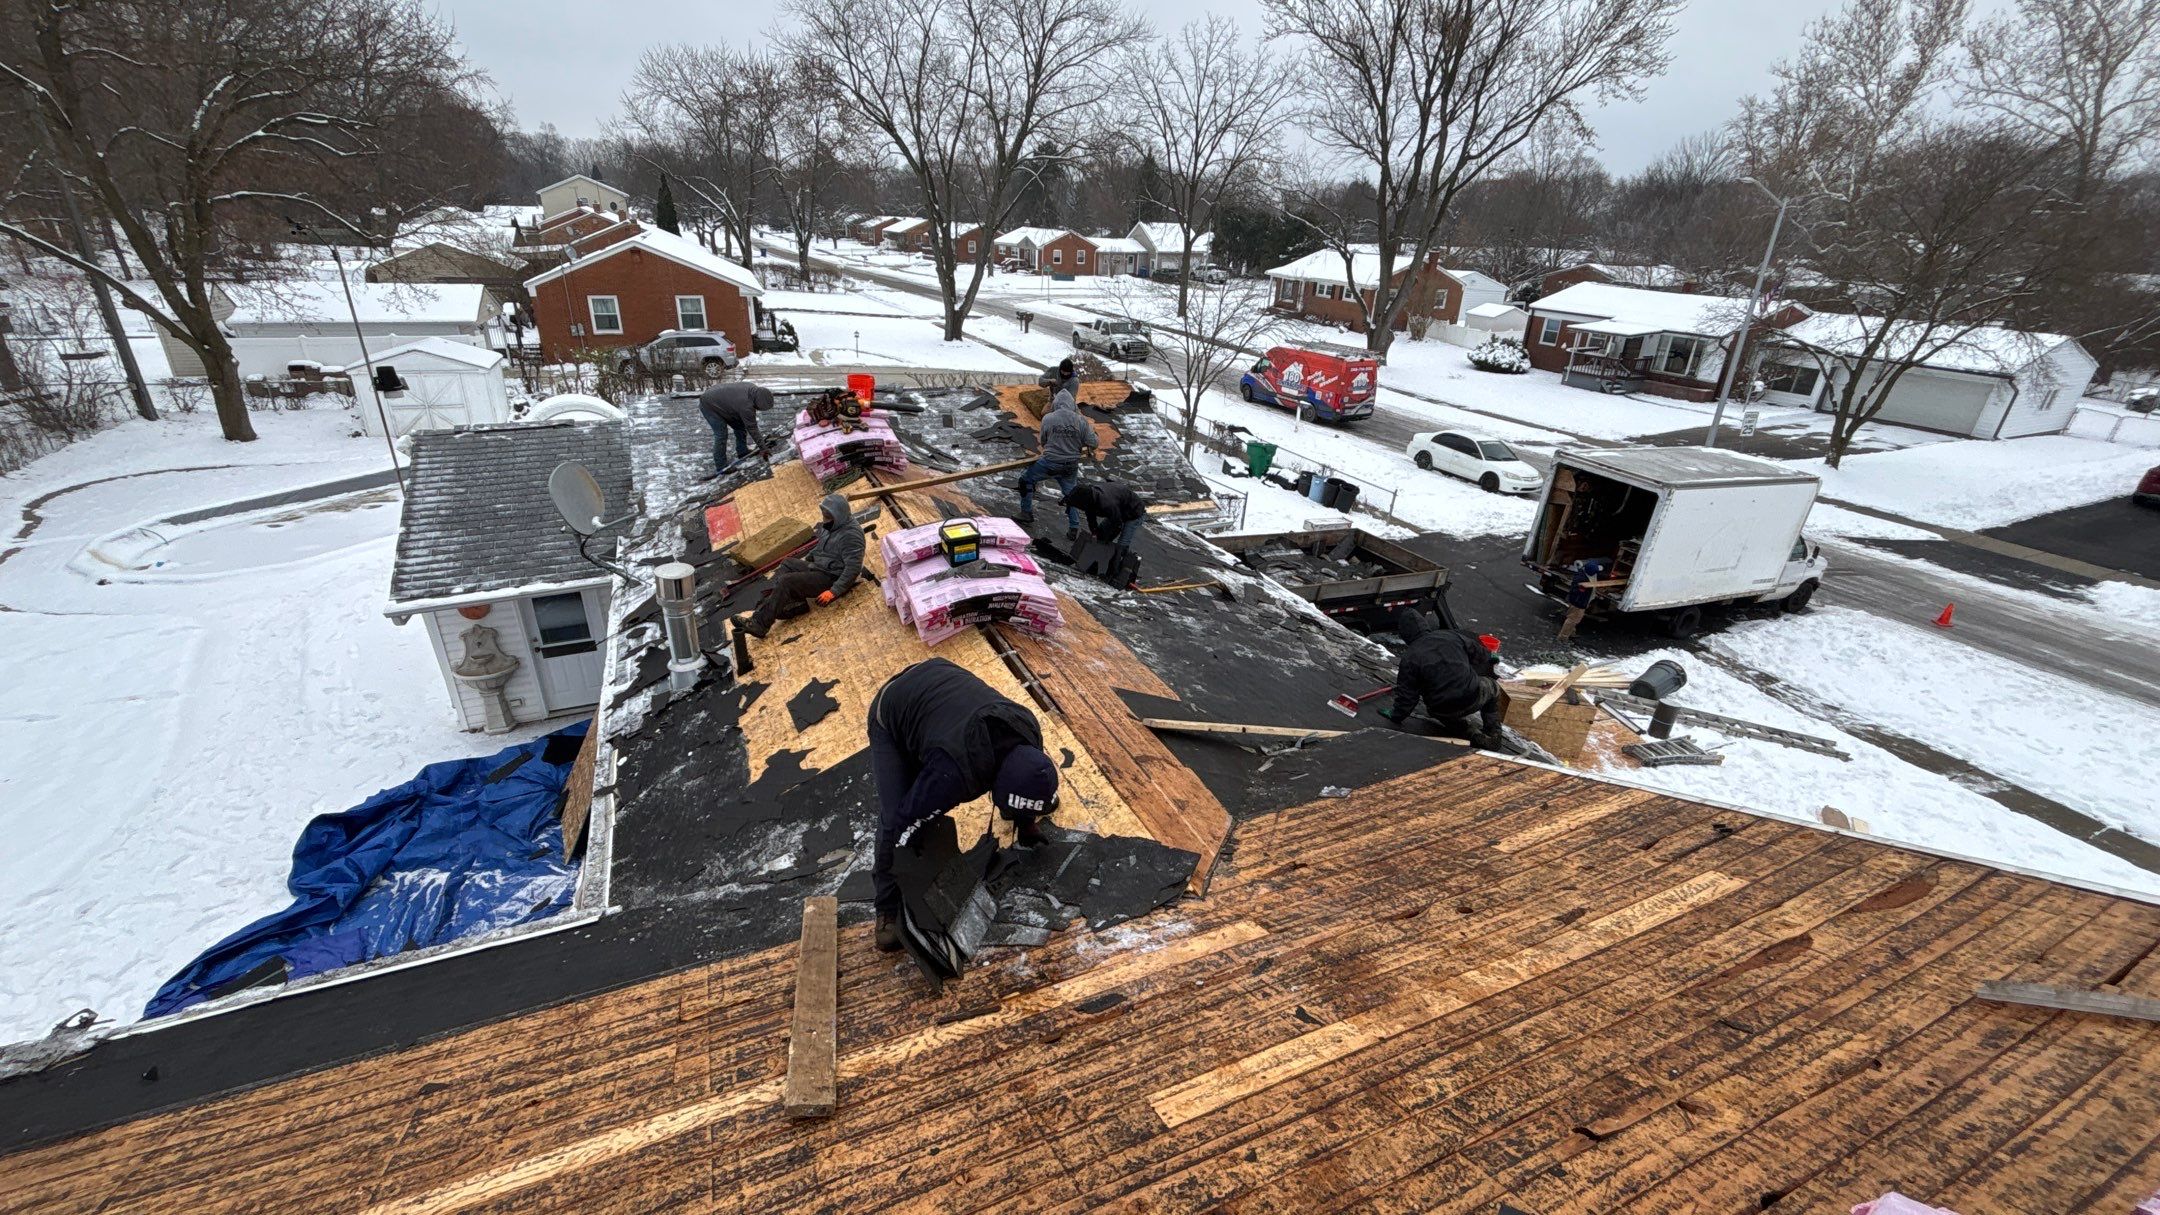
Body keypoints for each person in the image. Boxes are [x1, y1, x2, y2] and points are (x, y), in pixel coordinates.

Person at [866, 658, 1061, 951]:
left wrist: (1027, 826)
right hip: (894, 709)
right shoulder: (953, 773)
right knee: (897, 819)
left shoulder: (1026, 729)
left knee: (1022, 792)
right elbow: (903, 826)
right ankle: (886, 910)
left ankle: (1018, 811)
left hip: (943, 683)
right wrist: (904, 877)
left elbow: (1027, 777)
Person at [731, 493, 863, 638]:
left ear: (839, 515)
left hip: (831, 577)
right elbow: (820, 547)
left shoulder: (851, 535)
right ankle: (787, 604)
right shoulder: (831, 526)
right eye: (825, 516)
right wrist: (808, 560)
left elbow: (853, 568)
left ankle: (760, 624)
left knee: (787, 581)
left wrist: (834, 591)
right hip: (819, 567)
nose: (825, 520)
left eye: (829, 517)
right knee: (788, 563)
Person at [1380, 607, 1504, 745]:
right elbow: (1476, 650)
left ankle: (1472, 734)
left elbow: (1407, 697)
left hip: (1442, 707)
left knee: (1439, 712)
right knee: (1493, 688)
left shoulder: (1409, 658)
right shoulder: (1449, 636)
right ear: (1424, 624)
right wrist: (1490, 656)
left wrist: (1396, 715)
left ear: (1405, 634)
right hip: (1471, 695)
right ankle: (1494, 733)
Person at [1015, 388, 1098, 527]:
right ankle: (1074, 526)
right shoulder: (1081, 421)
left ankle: (1026, 513)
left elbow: (1043, 441)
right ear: (1072, 404)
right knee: (1071, 495)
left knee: (1025, 480)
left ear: (1056, 403)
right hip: (1070, 465)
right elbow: (1093, 443)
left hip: (1050, 464)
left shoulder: (1048, 418)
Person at [698, 380, 775, 475]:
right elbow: (752, 428)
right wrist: (763, 448)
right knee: (721, 434)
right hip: (709, 405)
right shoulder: (746, 406)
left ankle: (742, 451)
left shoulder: (753, 388)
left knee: (740, 426)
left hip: (726, 405)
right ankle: (721, 466)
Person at [1066, 479, 1147, 551]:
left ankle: (1117, 563)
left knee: (1122, 543)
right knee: (1100, 534)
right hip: (1119, 508)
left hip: (1135, 511)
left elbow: (1117, 525)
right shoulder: (1090, 497)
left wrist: (1105, 542)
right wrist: (1094, 533)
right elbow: (1091, 517)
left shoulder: (1107, 504)